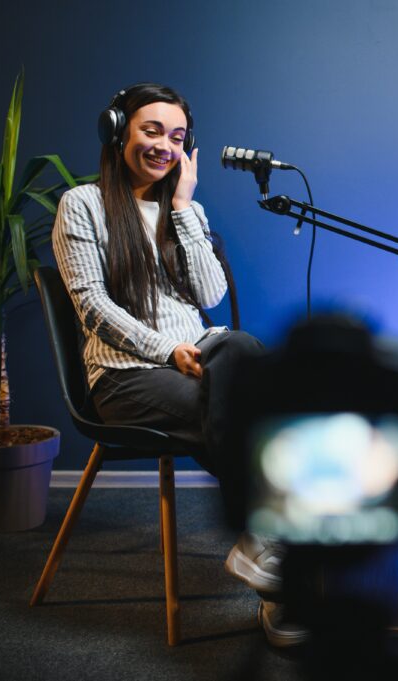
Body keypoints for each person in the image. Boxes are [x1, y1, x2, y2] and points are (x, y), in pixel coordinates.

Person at [51, 82, 303, 645]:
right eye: (152, 130)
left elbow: (210, 295)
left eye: (178, 136)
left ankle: (268, 552)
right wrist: (167, 351)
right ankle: (277, 573)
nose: (165, 146)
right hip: (125, 376)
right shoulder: (82, 205)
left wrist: (186, 208)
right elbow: (92, 306)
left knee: (242, 348)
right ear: (117, 133)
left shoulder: (183, 209)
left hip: (199, 356)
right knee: (239, 407)